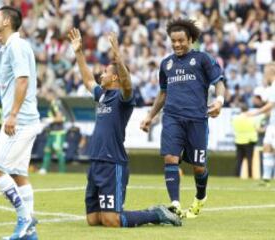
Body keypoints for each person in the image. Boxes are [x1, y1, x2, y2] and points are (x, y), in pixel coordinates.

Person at [68, 28, 181, 228]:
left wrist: (119, 58)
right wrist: (78, 52)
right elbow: (87, 80)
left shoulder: (123, 98)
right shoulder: (102, 95)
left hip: (113, 163)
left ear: (114, 78)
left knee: (111, 221)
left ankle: (156, 214)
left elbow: (127, 85)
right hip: (96, 162)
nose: (100, 75)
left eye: (104, 72)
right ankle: (149, 213)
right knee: (93, 220)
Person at [140, 19, 226, 219]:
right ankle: (175, 205)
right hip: (172, 117)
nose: (177, 44)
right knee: (170, 158)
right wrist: (150, 116)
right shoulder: (166, 64)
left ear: (191, 39)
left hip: (197, 119)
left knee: (198, 167)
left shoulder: (202, 59)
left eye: (181, 40)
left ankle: (200, 197)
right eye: (173, 41)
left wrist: (220, 101)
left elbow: (219, 82)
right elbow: (163, 93)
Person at [0, 6, 39, 240]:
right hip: (23, 120)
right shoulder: (5, 48)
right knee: (18, 175)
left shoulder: (17, 46)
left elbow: (23, 81)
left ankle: (25, 218)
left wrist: (12, 114)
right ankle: (29, 233)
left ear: (5, 21)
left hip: (20, 120)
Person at [248, 62, 275, 187]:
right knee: (267, 147)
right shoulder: (271, 87)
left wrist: (255, 113)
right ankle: (266, 178)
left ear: (271, 72)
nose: (264, 74)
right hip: (272, 124)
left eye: (266, 71)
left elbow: (270, 105)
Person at [39, 88, 67, 174]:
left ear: (52, 95)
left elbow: (61, 118)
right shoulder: (52, 104)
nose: (45, 96)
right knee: (47, 150)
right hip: (52, 131)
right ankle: (43, 169)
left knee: (58, 151)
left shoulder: (55, 104)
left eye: (47, 94)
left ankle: (62, 172)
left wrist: (49, 120)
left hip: (58, 132)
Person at [232, 102, 258, 178]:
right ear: (248, 109)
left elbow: (234, 127)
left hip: (238, 141)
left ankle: (236, 176)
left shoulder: (236, 118)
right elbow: (256, 128)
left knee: (238, 161)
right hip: (249, 141)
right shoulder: (252, 118)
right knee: (249, 160)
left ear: (241, 109)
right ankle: (250, 176)